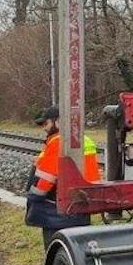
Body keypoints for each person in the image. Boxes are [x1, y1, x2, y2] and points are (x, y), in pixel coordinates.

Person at [25, 105, 99, 250]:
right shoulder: (85, 140)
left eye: (46, 123)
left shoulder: (57, 141)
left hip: (56, 213)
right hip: (82, 207)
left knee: (57, 256)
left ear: (58, 122)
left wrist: (31, 197)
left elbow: (43, 184)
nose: (44, 128)